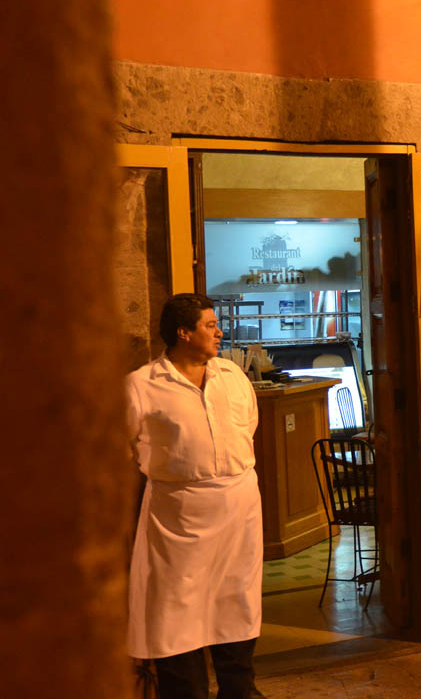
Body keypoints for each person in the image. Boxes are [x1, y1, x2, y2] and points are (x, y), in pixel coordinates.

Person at [126, 294, 266, 698]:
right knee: (176, 609)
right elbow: (119, 445)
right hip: (178, 518)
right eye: (210, 325)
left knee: (237, 601)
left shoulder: (232, 376)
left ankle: (239, 690)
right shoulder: (142, 385)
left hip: (238, 510)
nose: (219, 332)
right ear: (183, 333)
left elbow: (248, 426)